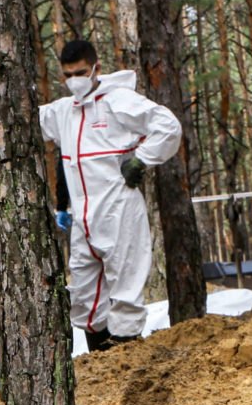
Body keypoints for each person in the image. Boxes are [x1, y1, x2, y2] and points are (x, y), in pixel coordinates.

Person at [37, 38, 182, 351]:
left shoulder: (120, 102)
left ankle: (126, 361)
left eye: (80, 73)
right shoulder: (64, 112)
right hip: (83, 218)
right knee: (85, 296)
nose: (75, 81)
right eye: (68, 75)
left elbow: (168, 126)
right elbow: (26, 120)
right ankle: (100, 360)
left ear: (96, 69)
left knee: (125, 291)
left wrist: (142, 160)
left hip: (119, 210)